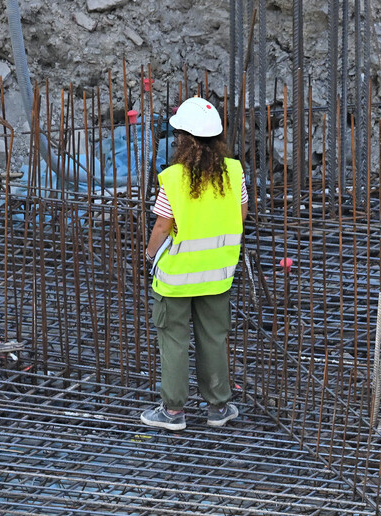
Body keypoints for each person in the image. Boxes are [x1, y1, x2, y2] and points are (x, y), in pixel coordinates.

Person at [141, 96, 248, 431]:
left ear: (184, 140)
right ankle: (219, 407)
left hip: (176, 277)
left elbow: (162, 224)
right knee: (213, 337)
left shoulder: (173, 178)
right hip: (218, 272)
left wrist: (148, 254)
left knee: (173, 338)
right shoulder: (233, 171)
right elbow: (241, 214)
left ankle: (172, 412)